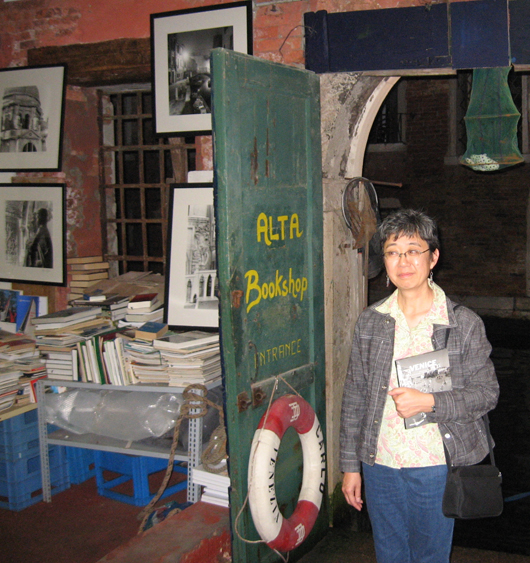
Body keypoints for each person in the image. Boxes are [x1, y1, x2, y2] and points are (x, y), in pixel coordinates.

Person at [340, 209, 499, 563]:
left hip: (434, 463)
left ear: (433, 257)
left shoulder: (462, 324)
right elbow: (354, 397)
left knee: (430, 555)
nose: (403, 261)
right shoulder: (371, 321)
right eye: (393, 251)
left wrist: (429, 401)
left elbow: (486, 393)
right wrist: (350, 465)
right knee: (389, 553)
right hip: (379, 462)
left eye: (414, 250)